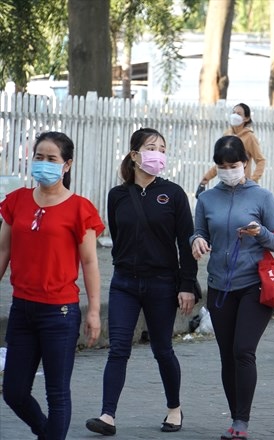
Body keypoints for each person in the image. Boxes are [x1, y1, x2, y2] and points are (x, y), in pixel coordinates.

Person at [86, 128, 198, 436]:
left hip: (162, 283)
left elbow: (186, 241)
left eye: (162, 148)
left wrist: (187, 284)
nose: (157, 154)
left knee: (162, 349)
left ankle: (174, 409)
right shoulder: (117, 195)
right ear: (135, 155)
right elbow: (118, 238)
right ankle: (107, 415)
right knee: (118, 348)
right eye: (151, 148)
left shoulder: (173, 194)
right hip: (124, 283)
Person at [0, 131, 104, 440]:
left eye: (52, 159)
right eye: (39, 157)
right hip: (22, 309)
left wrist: (94, 311)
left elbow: (90, 263)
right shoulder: (17, 201)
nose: (44, 164)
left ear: (67, 165)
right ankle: (47, 433)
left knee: (57, 394)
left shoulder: (80, 209)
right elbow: (3, 250)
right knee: (14, 392)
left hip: (59, 313)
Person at [191, 135, 274, 440]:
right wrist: (197, 241)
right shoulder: (206, 199)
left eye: (234, 164)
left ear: (245, 163)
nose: (229, 170)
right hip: (219, 286)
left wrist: (260, 233)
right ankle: (234, 417)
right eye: (222, 166)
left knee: (243, 350)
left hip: (255, 285)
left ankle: (242, 421)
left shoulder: (263, 197)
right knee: (227, 354)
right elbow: (199, 231)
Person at [197, 103, 266, 193]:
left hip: (242, 185)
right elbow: (222, 161)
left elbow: (261, 160)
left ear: (247, 118)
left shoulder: (250, 137)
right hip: (225, 183)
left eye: (239, 114)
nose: (235, 115)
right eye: (234, 112)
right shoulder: (227, 134)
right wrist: (206, 178)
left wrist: (253, 180)